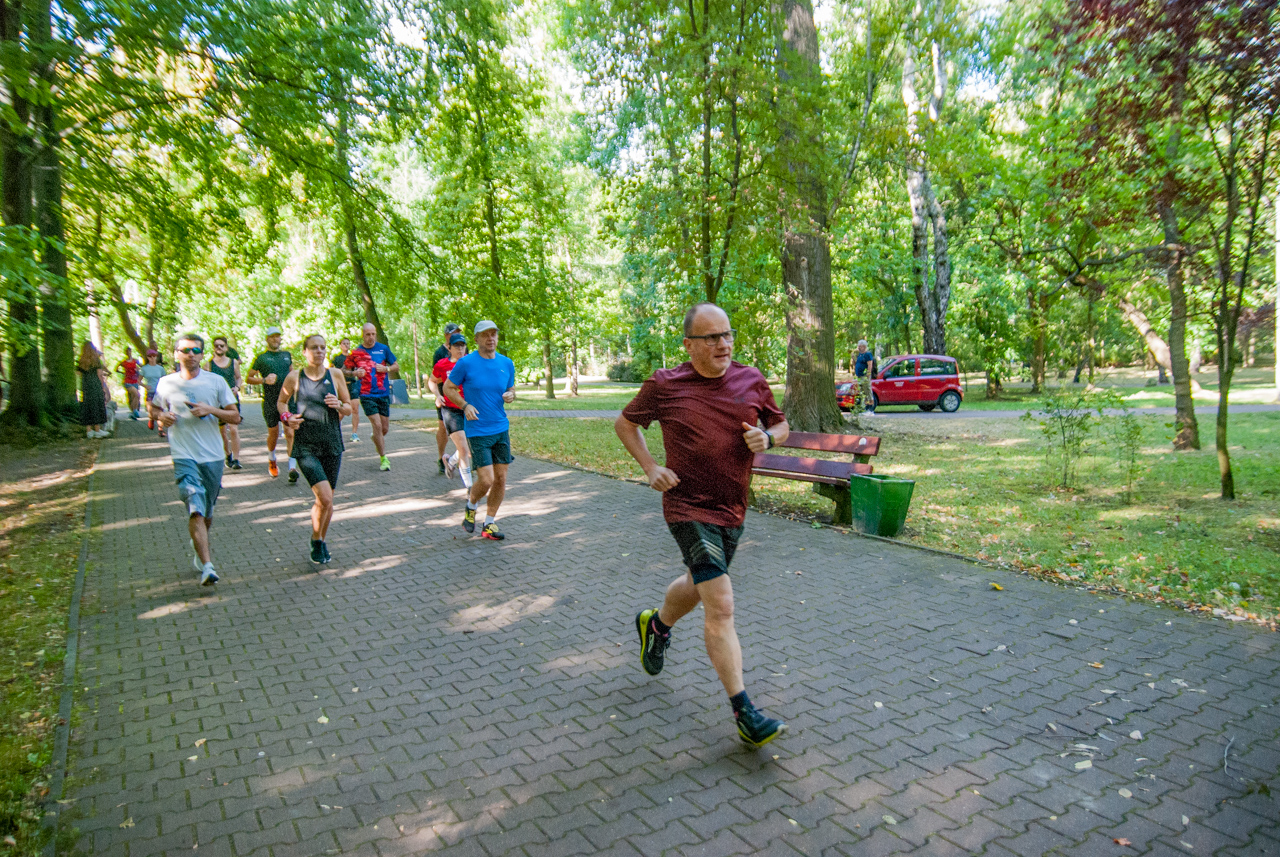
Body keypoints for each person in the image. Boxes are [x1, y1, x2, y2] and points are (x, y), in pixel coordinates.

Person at [615, 302, 791, 748]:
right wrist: (650, 466)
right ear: (689, 344)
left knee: (700, 582)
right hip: (686, 507)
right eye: (711, 337)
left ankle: (655, 626)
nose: (723, 344)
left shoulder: (751, 379)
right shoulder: (664, 384)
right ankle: (744, 712)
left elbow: (781, 423)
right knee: (722, 602)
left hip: (732, 508)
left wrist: (768, 438)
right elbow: (625, 424)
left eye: (727, 335)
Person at [150, 333, 241, 586]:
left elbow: (235, 418)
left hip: (212, 456)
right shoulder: (166, 383)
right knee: (195, 506)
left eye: (196, 351)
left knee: (207, 511)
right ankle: (208, 566)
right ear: (176, 354)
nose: (191, 354)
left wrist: (210, 409)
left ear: (202, 355)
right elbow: (154, 407)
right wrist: (161, 417)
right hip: (183, 455)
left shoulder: (216, 382)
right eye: (185, 350)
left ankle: (198, 545)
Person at [279, 335, 352, 564]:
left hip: (331, 443)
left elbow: (349, 408)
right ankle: (316, 538)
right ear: (305, 352)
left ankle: (319, 540)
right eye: (314, 348)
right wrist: (287, 417)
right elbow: (281, 403)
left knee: (325, 502)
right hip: (306, 446)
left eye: (322, 347)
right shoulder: (295, 377)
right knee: (325, 497)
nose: (319, 351)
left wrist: (339, 405)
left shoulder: (336, 375)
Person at [444, 320, 515, 540]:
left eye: (494, 334)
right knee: (486, 480)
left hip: (500, 428)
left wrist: (511, 395)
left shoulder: (507, 363)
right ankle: (471, 505)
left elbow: (511, 388)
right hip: (477, 430)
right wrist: (465, 405)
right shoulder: (466, 363)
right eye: (485, 335)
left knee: (501, 479)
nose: (491, 338)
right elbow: (448, 388)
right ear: (476, 339)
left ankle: (489, 524)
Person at [245, 326, 297, 482]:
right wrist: (263, 380)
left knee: (290, 432)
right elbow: (248, 378)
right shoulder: (261, 358)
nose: (275, 339)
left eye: (278, 336)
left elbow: (292, 373)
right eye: (272, 337)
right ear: (267, 339)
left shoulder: (287, 355)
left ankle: (292, 468)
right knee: (273, 434)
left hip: (287, 400)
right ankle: (272, 458)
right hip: (270, 401)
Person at [352, 323, 399, 472]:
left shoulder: (383, 349)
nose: (371, 337)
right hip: (366, 394)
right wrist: (355, 373)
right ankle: (384, 458)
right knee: (377, 425)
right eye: (368, 334)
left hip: (383, 393)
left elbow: (396, 366)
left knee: (384, 428)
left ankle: (376, 437)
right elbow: (345, 370)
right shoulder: (357, 352)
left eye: (373, 334)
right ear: (363, 335)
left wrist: (387, 368)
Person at [432, 332, 472, 488]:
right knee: (462, 446)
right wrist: (437, 395)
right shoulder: (442, 364)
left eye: (463, 346)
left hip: (468, 408)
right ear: (449, 348)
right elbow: (432, 381)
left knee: (469, 448)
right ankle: (469, 488)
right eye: (457, 346)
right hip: (451, 410)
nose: (460, 349)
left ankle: (451, 460)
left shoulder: (470, 363)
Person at [428, 322, 461, 473]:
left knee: (464, 431)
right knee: (443, 428)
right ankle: (442, 457)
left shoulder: (463, 350)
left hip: (462, 398)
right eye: (453, 332)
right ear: (446, 335)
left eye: (458, 332)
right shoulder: (439, 353)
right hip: (444, 398)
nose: (455, 335)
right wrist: (437, 394)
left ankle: (460, 458)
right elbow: (435, 378)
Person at [208, 337, 243, 470]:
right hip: (217, 402)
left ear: (226, 348)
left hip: (232, 400)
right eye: (216, 346)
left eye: (222, 346)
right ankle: (227, 454)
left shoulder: (233, 362)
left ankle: (236, 459)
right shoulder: (209, 365)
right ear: (213, 348)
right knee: (222, 432)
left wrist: (237, 387)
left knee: (233, 429)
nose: (219, 348)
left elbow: (239, 378)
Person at [331, 337, 361, 443]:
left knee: (355, 409)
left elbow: (357, 370)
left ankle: (354, 433)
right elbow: (332, 371)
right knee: (341, 411)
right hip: (341, 386)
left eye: (348, 343)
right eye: (344, 343)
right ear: (340, 345)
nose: (346, 345)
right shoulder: (336, 358)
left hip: (352, 385)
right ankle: (335, 430)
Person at [78, 341, 109, 438]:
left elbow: (78, 374)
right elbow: (99, 374)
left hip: (86, 386)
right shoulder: (96, 361)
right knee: (97, 405)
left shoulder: (81, 361)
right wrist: (103, 386)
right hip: (95, 384)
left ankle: (89, 431)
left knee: (87, 406)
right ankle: (97, 429)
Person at [139, 349, 167, 434]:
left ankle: (160, 429)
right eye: (150, 356)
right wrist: (145, 386)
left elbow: (165, 379)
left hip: (159, 392)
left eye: (154, 356)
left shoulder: (160, 369)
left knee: (160, 410)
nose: (152, 358)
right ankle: (151, 418)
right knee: (151, 411)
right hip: (150, 391)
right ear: (147, 357)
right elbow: (138, 380)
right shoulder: (144, 369)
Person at [115, 346, 142, 420]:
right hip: (127, 381)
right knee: (136, 394)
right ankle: (134, 411)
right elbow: (116, 369)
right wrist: (123, 373)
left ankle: (133, 412)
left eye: (129, 351)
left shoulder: (135, 361)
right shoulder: (124, 362)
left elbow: (141, 367)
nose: (128, 353)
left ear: (131, 352)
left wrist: (138, 371)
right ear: (125, 353)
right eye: (127, 352)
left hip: (135, 381)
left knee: (134, 397)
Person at [854, 339, 877, 414]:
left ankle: (870, 409)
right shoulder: (860, 355)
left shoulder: (867, 354)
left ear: (864, 346)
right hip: (859, 376)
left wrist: (868, 374)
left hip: (865, 376)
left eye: (860, 346)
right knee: (862, 392)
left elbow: (870, 364)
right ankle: (864, 407)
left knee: (868, 391)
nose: (859, 348)